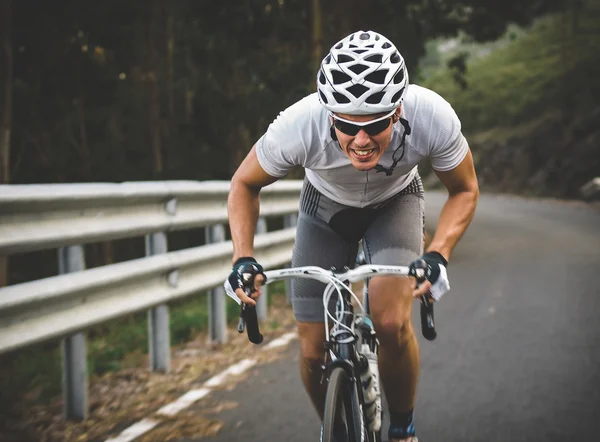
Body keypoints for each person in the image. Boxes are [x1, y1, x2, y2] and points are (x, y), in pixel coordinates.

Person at [224, 30, 479, 442]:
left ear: (397, 111)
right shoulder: (298, 125)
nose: (361, 140)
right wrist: (242, 257)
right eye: (346, 125)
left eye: (375, 124)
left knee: (391, 319)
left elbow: (464, 189)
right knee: (311, 351)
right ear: (328, 115)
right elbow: (243, 185)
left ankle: (402, 429)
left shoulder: (431, 115)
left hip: (396, 201)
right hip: (324, 209)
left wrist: (438, 252)